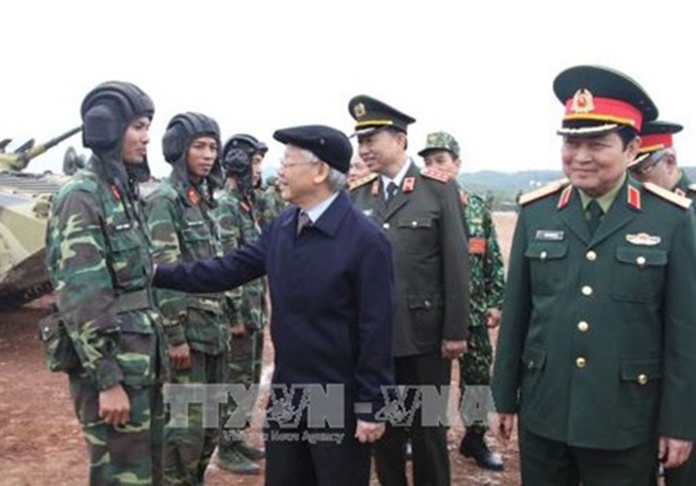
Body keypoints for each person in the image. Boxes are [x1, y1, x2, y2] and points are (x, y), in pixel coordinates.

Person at [153, 124, 395, 486]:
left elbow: (376, 329)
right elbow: (227, 270)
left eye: (287, 162)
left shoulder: (365, 240)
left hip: (335, 397)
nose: (277, 171)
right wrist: (157, 273)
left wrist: (371, 406)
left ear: (319, 171)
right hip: (287, 391)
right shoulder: (284, 226)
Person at [490, 65, 696, 485]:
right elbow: (516, 318)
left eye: (597, 144)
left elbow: (683, 332)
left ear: (632, 147)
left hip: (625, 418)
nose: (580, 157)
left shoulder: (670, 220)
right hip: (545, 412)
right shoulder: (537, 211)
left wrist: (680, 422)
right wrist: (501, 399)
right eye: (571, 143)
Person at [43, 81, 167, 485]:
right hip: (115, 368)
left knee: (146, 470)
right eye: (138, 126)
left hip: (141, 361)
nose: (147, 137)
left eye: (148, 127)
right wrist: (108, 380)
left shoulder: (122, 190)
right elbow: (83, 298)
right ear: (108, 128)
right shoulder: (82, 196)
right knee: (121, 474)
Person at [347, 95, 470, 486]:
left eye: (372, 139)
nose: (364, 149)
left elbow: (455, 263)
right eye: (360, 141)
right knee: (386, 432)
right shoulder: (359, 195)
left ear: (399, 140)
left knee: (429, 432)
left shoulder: (438, 190)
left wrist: (455, 331)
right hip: (377, 340)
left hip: (426, 338)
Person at [144, 112, 230, 484]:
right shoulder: (166, 199)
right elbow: (163, 271)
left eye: (213, 147)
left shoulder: (204, 199)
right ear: (179, 149)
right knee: (185, 431)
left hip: (213, 330)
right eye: (199, 146)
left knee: (212, 423)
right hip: (188, 336)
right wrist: (175, 335)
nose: (208, 154)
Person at [419, 130, 506, 472]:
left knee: (477, 379)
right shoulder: (415, 203)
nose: (434, 167)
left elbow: (493, 261)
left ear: (457, 164)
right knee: (425, 382)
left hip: (473, 315)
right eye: (427, 162)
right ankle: (421, 434)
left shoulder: (476, 209)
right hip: (429, 316)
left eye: (441, 160)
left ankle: (474, 437)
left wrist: (495, 302)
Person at [628, 120, 696, 486]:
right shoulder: (635, 216)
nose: (635, 182)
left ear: (669, 162)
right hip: (646, 375)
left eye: (641, 171)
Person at [211, 134, 267, 475]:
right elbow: (228, 263)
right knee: (235, 378)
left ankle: (235, 437)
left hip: (254, 308)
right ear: (237, 163)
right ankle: (225, 444)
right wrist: (233, 314)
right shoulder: (227, 205)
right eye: (255, 161)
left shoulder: (248, 203)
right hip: (239, 313)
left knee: (248, 378)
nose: (259, 168)